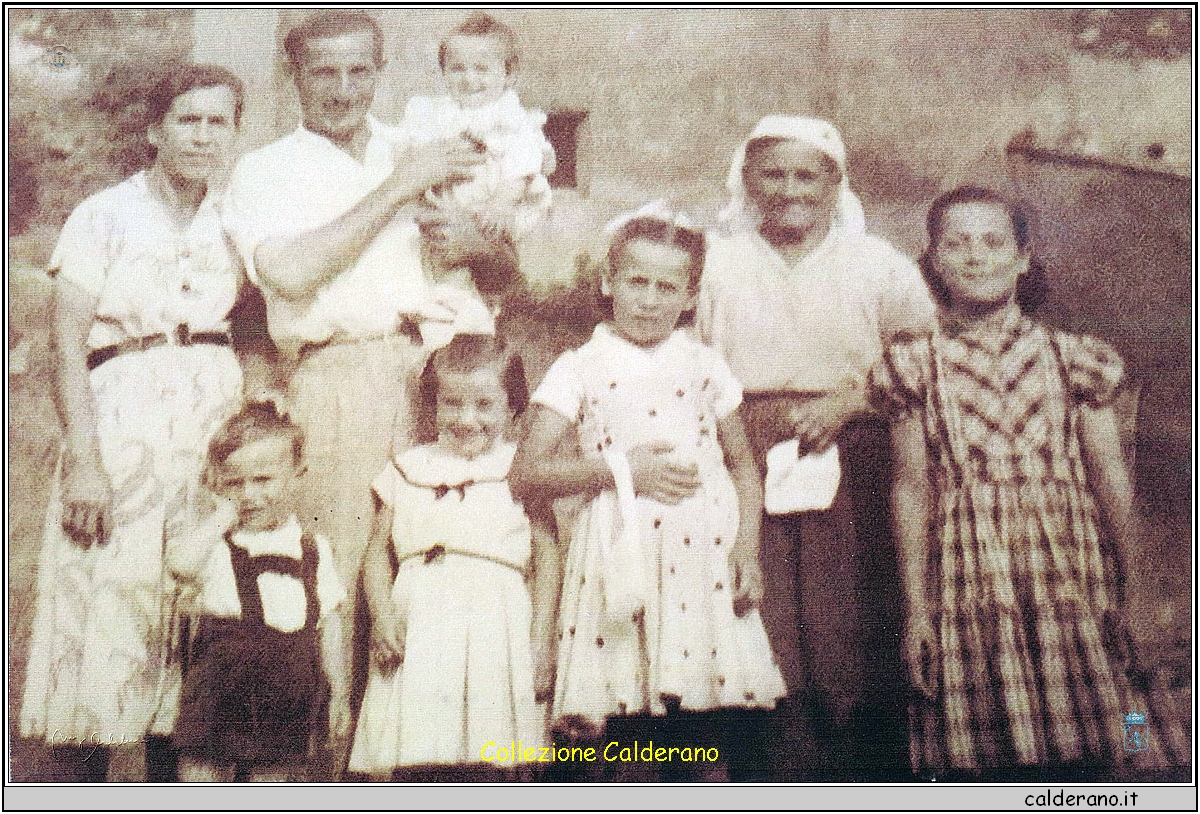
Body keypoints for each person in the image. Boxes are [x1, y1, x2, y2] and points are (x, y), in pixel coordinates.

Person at [220, 11, 486, 741]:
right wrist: (400, 187)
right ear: (293, 75)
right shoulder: (266, 168)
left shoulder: (417, 147)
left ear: (379, 70)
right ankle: (324, 762)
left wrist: (482, 241)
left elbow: (499, 271)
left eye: (358, 70)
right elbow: (292, 272)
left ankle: (424, 761)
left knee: (435, 568)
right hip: (339, 377)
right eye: (323, 72)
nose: (343, 88)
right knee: (339, 575)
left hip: (437, 375)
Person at [869, 186, 1184, 780]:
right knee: (992, 747)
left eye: (993, 242)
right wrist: (917, 609)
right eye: (956, 244)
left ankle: (1129, 773)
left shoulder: (1074, 358)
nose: (975, 256)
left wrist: (1137, 584)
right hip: (968, 578)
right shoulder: (912, 365)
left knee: (1122, 705)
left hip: (1074, 569)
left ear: (1022, 258)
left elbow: (1111, 475)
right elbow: (910, 489)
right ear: (932, 260)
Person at [19, 65, 247, 782]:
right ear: (155, 130)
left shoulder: (237, 217)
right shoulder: (106, 212)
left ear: (234, 131)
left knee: (188, 617)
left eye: (217, 121)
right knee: (102, 611)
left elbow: (262, 324)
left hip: (209, 426)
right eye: (188, 119)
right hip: (120, 421)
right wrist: (85, 460)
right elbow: (65, 342)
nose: (202, 135)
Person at [697, 115, 936, 779]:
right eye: (773, 173)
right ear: (747, 179)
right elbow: (688, 359)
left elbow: (920, 354)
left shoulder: (876, 263)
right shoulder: (716, 260)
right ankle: (769, 768)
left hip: (855, 451)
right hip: (743, 448)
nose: (790, 189)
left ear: (835, 182)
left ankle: (863, 769)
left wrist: (854, 399)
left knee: (850, 613)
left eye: (808, 174)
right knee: (758, 606)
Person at [511, 205, 785, 782]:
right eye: (638, 280)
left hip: (701, 559)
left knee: (703, 724)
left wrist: (746, 552)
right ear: (608, 282)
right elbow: (528, 471)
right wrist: (620, 469)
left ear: (690, 296)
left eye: (669, 286)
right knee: (618, 724)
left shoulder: (705, 363)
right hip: (620, 556)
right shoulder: (579, 365)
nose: (651, 298)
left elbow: (742, 465)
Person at [348, 334, 550, 780]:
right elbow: (377, 554)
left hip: (494, 621)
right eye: (452, 403)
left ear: (512, 409)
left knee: (488, 755)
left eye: (484, 404)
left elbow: (546, 554)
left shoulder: (521, 468)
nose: (466, 419)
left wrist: (540, 638)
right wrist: (381, 614)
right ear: (432, 407)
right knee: (417, 755)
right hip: (420, 621)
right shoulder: (409, 466)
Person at [169, 401, 348, 782]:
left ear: (297, 475)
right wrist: (220, 515)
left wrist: (338, 689)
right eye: (235, 483)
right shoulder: (217, 545)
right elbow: (179, 564)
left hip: (287, 693)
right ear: (218, 483)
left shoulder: (313, 548)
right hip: (220, 690)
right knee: (200, 780)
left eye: (263, 480)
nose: (249, 496)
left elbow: (329, 625)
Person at [394, 11, 555, 242]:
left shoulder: (510, 118)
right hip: (445, 200)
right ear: (444, 72)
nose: (469, 79)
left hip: (495, 202)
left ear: (508, 75)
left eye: (481, 69)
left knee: (488, 249)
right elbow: (412, 152)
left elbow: (522, 170)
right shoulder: (434, 113)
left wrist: (499, 204)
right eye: (458, 68)